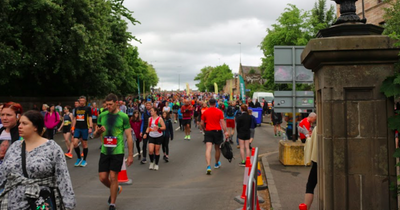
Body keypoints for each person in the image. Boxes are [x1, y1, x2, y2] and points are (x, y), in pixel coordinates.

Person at [0, 110, 76, 209]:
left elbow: (63, 178)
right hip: (13, 203)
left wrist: (69, 205)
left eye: (24, 123)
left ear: (35, 127)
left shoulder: (52, 147)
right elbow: (2, 175)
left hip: (40, 202)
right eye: (19, 123)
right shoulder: (14, 147)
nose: (19, 126)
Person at [94, 93, 134, 210]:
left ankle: (112, 203)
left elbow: (129, 136)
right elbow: (95, 135)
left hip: (117, 150)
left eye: (110, 104)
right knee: (102, 177)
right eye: (107, 105)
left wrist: (130, 155)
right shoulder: (102, 115)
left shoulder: (123, 117)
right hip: (105, 150)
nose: (108, 107)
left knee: (113, 176)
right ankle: (116, 189)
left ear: (117, 103)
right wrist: (99, 132)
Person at [200, 98, 229, 175]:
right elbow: (222, 123)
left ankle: (208, 166)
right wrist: (225, 132)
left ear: (209, 103)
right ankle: (216, 163)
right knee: (217, 149)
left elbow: (202, 123)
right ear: (215, 103)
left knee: (208, 149)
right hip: (217, 131)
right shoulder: (219, 112)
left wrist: (204, 129)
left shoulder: (205, 112)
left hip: (208, 131)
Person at [71, 96, 93, 167]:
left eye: (83, 100)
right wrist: (73, 127)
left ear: (85, 101)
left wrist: (90, 127)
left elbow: (90, 117)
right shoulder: (76, 109)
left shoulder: (88, 108)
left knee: (84, 144)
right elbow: (75, 118)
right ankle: (79, 158)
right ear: (79, 101)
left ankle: (84, 160)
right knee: (75, 143)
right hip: (77, 128)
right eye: (80, 100)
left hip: (85, 128)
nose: (81, 102)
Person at [304, 126, 318, 209]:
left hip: (317, 161)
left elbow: (311, 143)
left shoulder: (317, 128)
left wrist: (308, 137)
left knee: (310, 186)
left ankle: (306, 208)